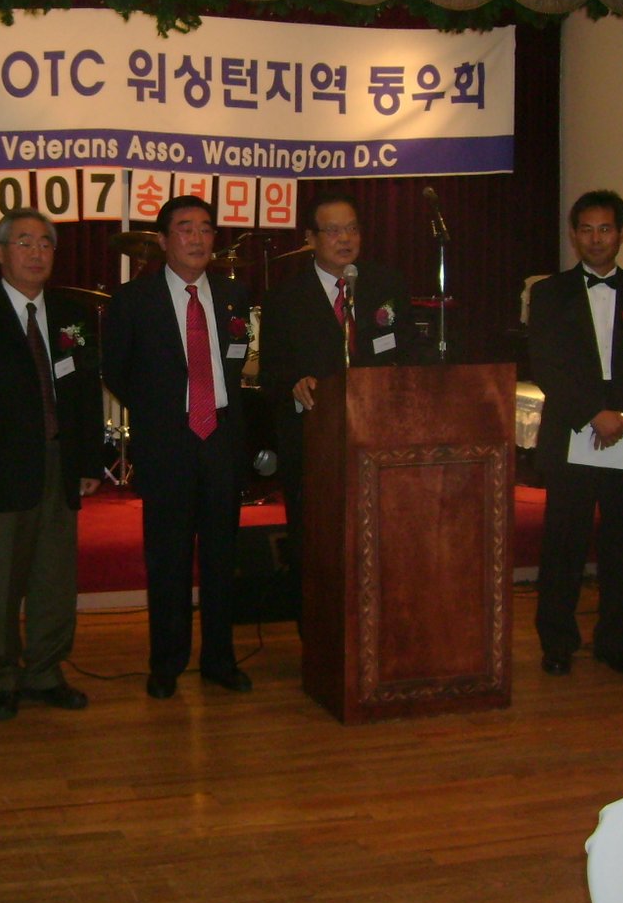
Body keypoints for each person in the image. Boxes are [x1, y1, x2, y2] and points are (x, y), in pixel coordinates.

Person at [0, 209, 105, 721]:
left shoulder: (73, 315)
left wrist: (89, 459)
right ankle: (3, 677)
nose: (36, 253)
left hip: (60, 462)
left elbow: (85, 394)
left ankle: (46, 672)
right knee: (0, 581)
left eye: (45, 244)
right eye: (24, 242)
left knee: (55, 578)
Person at [102, 195, 254, 699]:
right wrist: (163, 413)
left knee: (221, 558)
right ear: (164, 241)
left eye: (206, 229)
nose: (197, 238)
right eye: (185, 229)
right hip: (167, 444)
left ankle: (220, 660)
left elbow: (237, 359)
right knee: (167, 558)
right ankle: (166, 663)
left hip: (221, 442)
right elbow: (115, 369)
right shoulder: (133, 299)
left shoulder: (234, 296)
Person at [528, 190, 623, 677]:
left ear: (622, 234)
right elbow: (545, 363)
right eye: (586, 230)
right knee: (562, 543)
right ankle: (557, 642)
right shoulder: (549, 293)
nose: (596, 239)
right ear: (574, 236)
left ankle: (615, 642)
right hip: (574, 428)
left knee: (621, 543)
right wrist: (594, 413)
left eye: (605, 229)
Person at [259, 191, 416, 599]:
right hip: (315, 443)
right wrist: (294, 384)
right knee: (317, 548)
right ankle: (316, 626)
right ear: (310, 238)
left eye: (352, 229)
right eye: (333, 231)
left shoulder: (386, 284)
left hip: (380, 438)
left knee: (382, 542)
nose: (345, 238)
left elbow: (408, 349)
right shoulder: (284, 298)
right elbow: (271, 373)